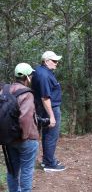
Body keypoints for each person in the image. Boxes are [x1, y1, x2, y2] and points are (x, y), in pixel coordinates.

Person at [3, 63, 39, 191]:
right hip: (26, 140)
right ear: (27, 77)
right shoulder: (27, 94)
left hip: (8, 138)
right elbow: (25, 118)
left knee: (12, 170)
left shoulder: (4, 90)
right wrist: (24, 136)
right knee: (26, 171)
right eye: (31, 75)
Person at [31, 51, 65, 172]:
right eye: (54, 61)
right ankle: (49, 163)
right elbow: (45, 97)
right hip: (49, 108)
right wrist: (51, 116)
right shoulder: (44, 75)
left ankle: (47, 160)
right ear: (46, 61)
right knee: (51, 135)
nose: (57, 63)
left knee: (46, 135)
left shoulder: (40, 71)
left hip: (42, 107)